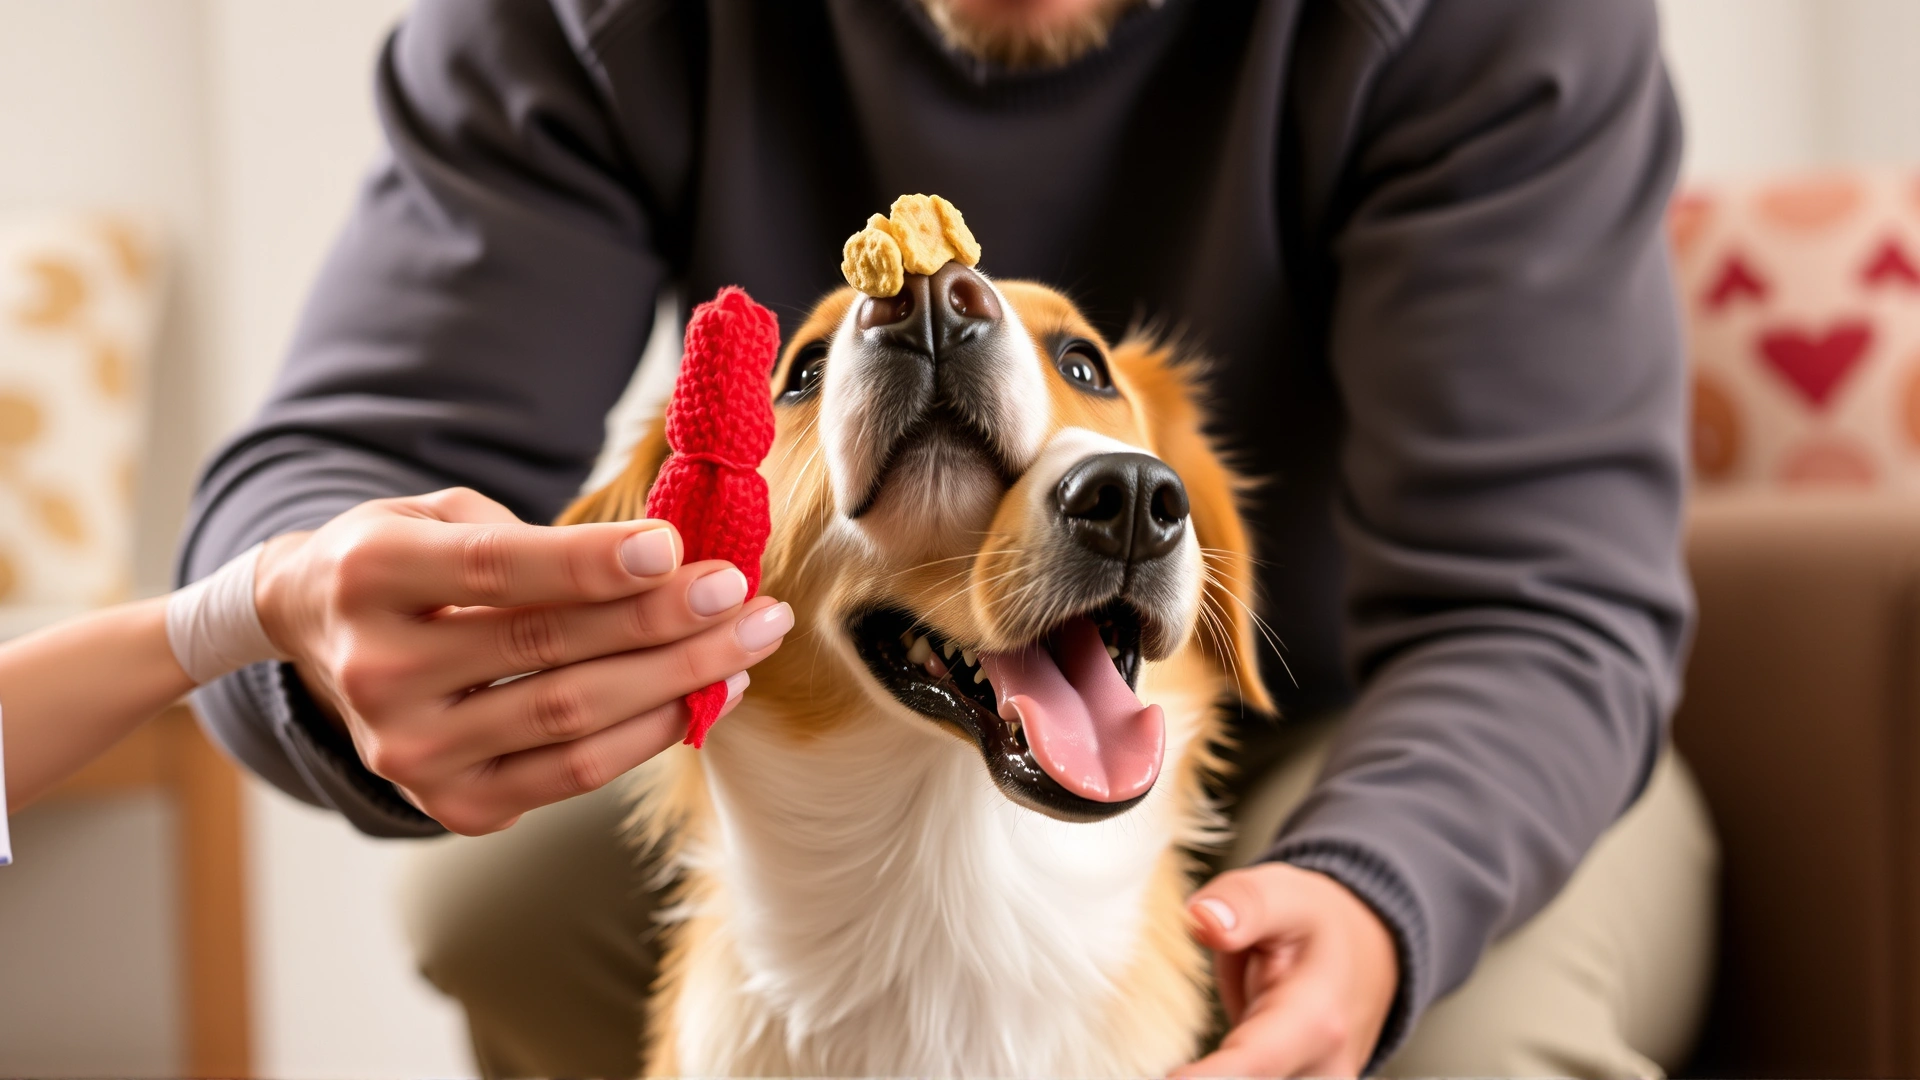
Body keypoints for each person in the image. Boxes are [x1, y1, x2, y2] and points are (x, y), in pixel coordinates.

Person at [178, 0, 1718, 1075]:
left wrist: (1390, 884)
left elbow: (1544, 602)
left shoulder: (1504, 23)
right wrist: (315, 640)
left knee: (1476, 1055)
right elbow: (333, 469)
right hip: (839, 687)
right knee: (493, 906)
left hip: (1392, 721)